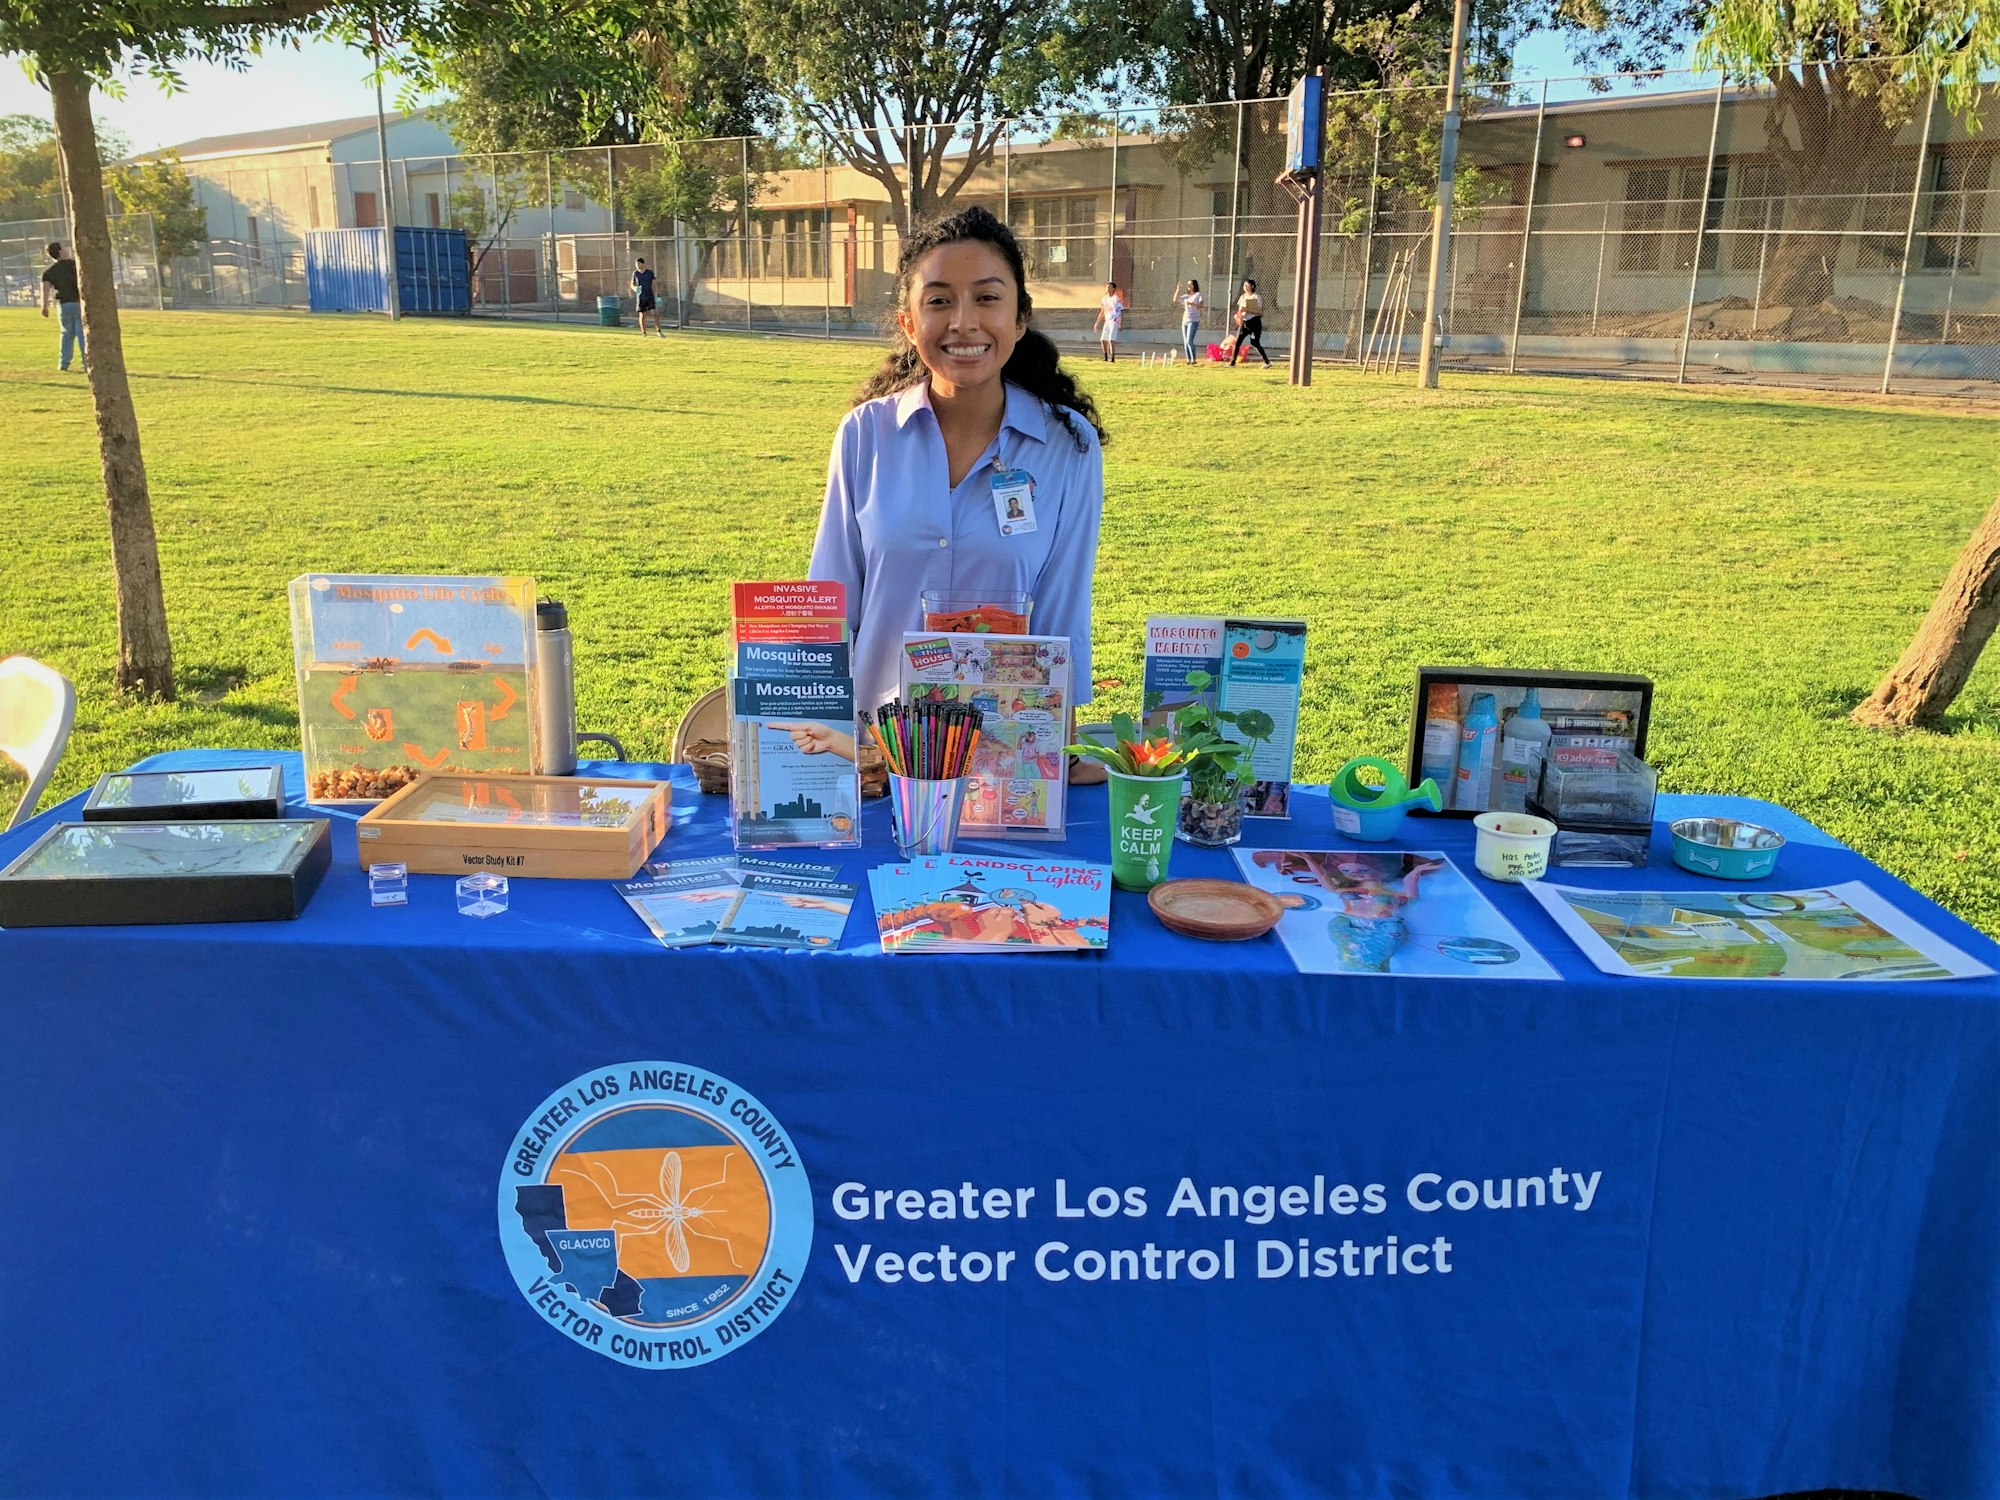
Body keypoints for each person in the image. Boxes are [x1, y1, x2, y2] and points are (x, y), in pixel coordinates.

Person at [809, 204, 1105, 725]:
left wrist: (1057, 743)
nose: (963, 322)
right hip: (876, 751)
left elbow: (1063, 604)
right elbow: (831, 601)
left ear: (1019, 319)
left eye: (987, 298)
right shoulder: (864, 435)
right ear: (908, 322)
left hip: (1009, 756)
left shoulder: (1067, 444)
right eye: (939, 300)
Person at [40, 243, 86, 374]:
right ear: (60, 252)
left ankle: (64, 363)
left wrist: (44, 306)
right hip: (78, 303)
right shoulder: (75, 265)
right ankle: (87, 362)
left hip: (63, 304)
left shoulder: (49, 272)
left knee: (66, 334)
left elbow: (45, 289)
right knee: (81, 334)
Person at [1228, 277, 1270, 368]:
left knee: (1255, 342)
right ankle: (1232, 363)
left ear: (1252, 286)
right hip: (1245, 323)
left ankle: (1267, 362)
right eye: (1244, 285)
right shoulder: (1242, 297)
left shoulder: (1256, 297)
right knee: (1238, 342)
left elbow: (1259, 312)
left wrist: (1248, 310)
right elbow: (1240, 310)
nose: (1245, 287)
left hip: (1254, 322)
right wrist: (1238, 316)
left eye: (1247, 285)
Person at [1092, 281, 1124, 363]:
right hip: (1107, 321)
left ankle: (1113, 358)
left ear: (1113, 288)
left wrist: (1120, 323)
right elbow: (1102, 311)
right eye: (1107, 287)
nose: (1108, 288)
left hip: (1114, 321)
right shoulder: (1104, 299)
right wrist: (1097, 323)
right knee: (1103, 339)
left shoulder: (1116, 299)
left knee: (1111, 339)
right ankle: (1106, 356)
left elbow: (1121, 311)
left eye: (1109, 287)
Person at [1175, 279, 1204, 364]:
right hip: (1185, 320)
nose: (1189, 286)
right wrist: (1177, 290)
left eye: (1191, 284)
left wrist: (1192, 304)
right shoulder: (1185, 296)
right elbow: (1175, 299)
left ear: (1194, 285)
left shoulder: (1198, 295)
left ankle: (1193, 359)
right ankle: (1188, 359)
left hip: (1193, 320)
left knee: (1189, 341)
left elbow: (1202, 305)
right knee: (1185, 342)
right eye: (1188, 284)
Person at [631, 258, 659, 336]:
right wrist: (634, 288)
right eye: (636, 264)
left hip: (649, 296)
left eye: (638, 264)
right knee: (642, 315)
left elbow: (654, 283)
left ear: (643, 264)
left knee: (654, 313)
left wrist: (657, 293)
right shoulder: (635, 273)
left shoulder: (649, 273)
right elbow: (632, 284)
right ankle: (644, 332)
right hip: (641, 297)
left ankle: (658, 330)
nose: (637, 266)